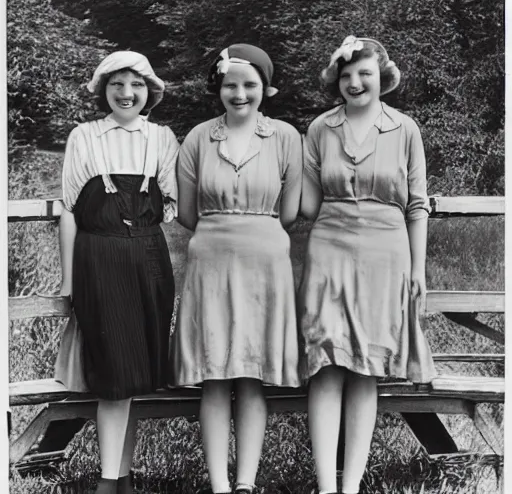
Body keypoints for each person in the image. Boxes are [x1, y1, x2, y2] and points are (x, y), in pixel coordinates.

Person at [298, 36, 436, 494]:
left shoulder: (405, 128)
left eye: (365, 74)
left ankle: (351, 486)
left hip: (386, 253)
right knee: (326, 362)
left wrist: (417, 268)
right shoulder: (320, 128)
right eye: (346, 75)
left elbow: (417, 205)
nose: (355, 83)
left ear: (382, 77)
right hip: (330, 249)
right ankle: (324, 485)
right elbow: (309, 204)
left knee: (365, 366)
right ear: (336, 81)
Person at [170, 44, 302, 494]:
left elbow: (289, 211)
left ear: (266, 88)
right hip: (210, 260)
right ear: (218, 88)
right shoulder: (197, 138)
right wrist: (223, 226)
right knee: (214, 371)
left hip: (265, 262)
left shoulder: (285, 137)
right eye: (231, 85)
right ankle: (220, 484)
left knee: (251, 372)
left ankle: (245, 481)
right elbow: (187, 212)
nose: (240, 93)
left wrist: (250, 226)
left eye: (249, 85)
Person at [56, 51, 178, 494]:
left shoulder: (162, 138)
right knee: (113, 371)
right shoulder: (84, 136)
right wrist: (70, 280)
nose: (127, 94)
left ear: (150, 93)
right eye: (117, 85)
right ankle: (108, 482)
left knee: (135, 372)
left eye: (137, 85)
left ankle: (122, 476)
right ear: (103, 90)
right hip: (99, 256)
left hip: (147, 256)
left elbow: (173, 203)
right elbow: (70, 211)